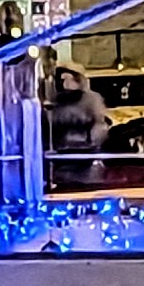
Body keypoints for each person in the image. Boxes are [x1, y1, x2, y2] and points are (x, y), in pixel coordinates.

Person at [40, 64, 107, 193]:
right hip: (59, 160)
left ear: (77, 80)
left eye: (66, 78)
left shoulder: (91, 100)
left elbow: (98, 126)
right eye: (60, 79)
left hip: (84, 158)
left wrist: (89, 141)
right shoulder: (54, 104)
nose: (62, 82)